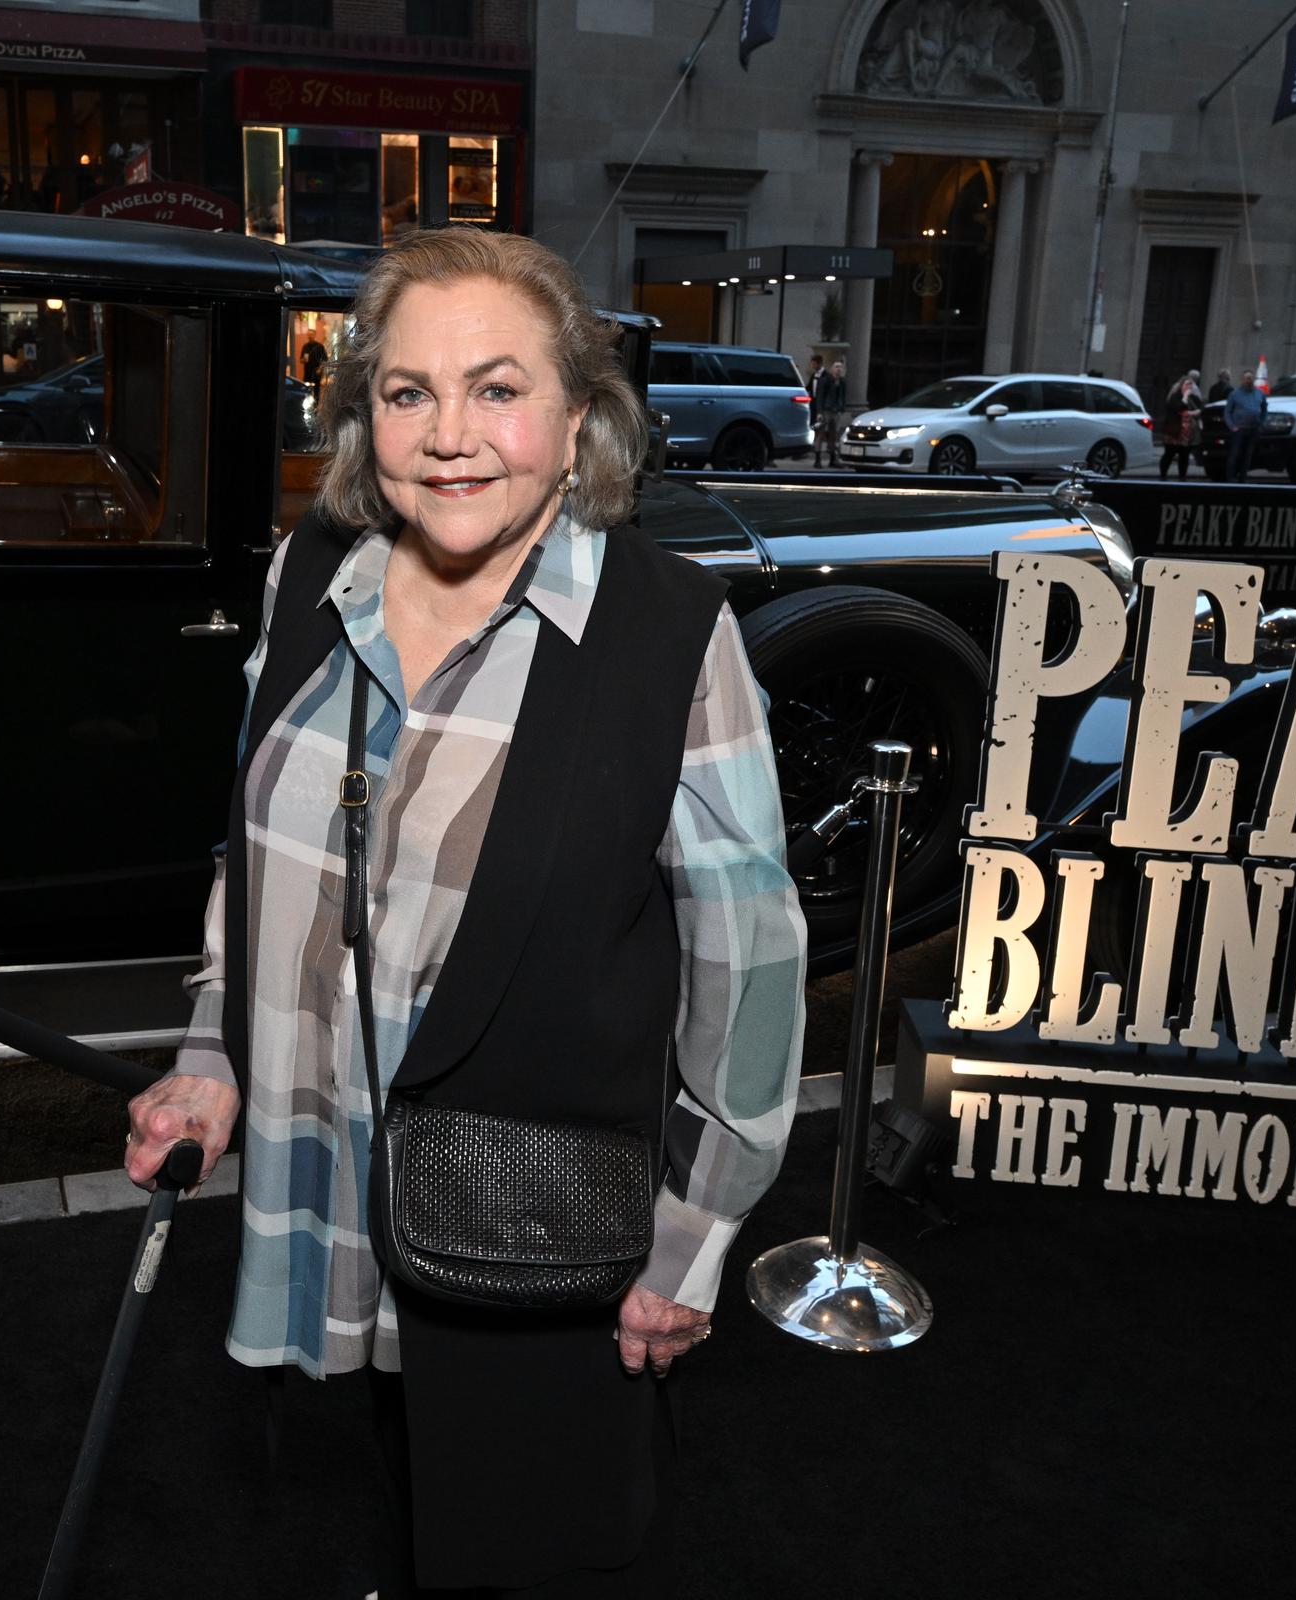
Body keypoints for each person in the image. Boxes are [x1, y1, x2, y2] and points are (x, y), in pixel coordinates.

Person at [123, 228, 806, 1598]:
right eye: (408, 392)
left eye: (498, 389)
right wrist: (213, 1057)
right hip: (323, 1183)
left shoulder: (671, 634)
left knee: (523, 1541)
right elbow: (258, 855)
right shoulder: (308, 576)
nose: (450, 437)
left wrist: (692, 1240)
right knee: (370, 1503)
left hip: (533, 1221)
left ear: (578, 422)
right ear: (363, 411)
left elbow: (753, 962)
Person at [1222, 368, 1268, 481]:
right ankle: (1230, 477)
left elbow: (1264, 409)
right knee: (1235, 454)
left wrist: (1261, 423)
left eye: (1251, 378)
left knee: (1248, 455)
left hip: (1253, 429)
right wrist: (1232, 426)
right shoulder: (1234, 394)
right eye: (1247, 378)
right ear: (1242, 380)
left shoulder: (1260, 393)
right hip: (1239, 429)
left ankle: (1243, 478)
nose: (1249, 380)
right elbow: (1227, 412)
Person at [1157, 370, 1202, 478]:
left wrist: (1196, 412)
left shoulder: (1193, 397)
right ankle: (1163, 476)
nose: (1189, 387)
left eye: (1190, 385)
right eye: (1187, 385)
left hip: (1187, 434)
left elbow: (1200, 409)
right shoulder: (1175, 396)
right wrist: (1185, 398)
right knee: (1169, 454)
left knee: (1184, 456)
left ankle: (1182, 477)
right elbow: (1178, 407)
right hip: (1174, 430)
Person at [812, 355, 848, 466]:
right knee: (821, 434)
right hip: (826, 410)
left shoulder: (842, 382)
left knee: (834, 435)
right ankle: (817, 460)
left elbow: (842, 396)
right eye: (836, 367)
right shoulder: (826, 380)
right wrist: (819, 412)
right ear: (832, 369)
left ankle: (832, 459)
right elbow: (820, 396)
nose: (839, 369)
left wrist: (841, 408)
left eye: (840, 367)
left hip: (836, 411)